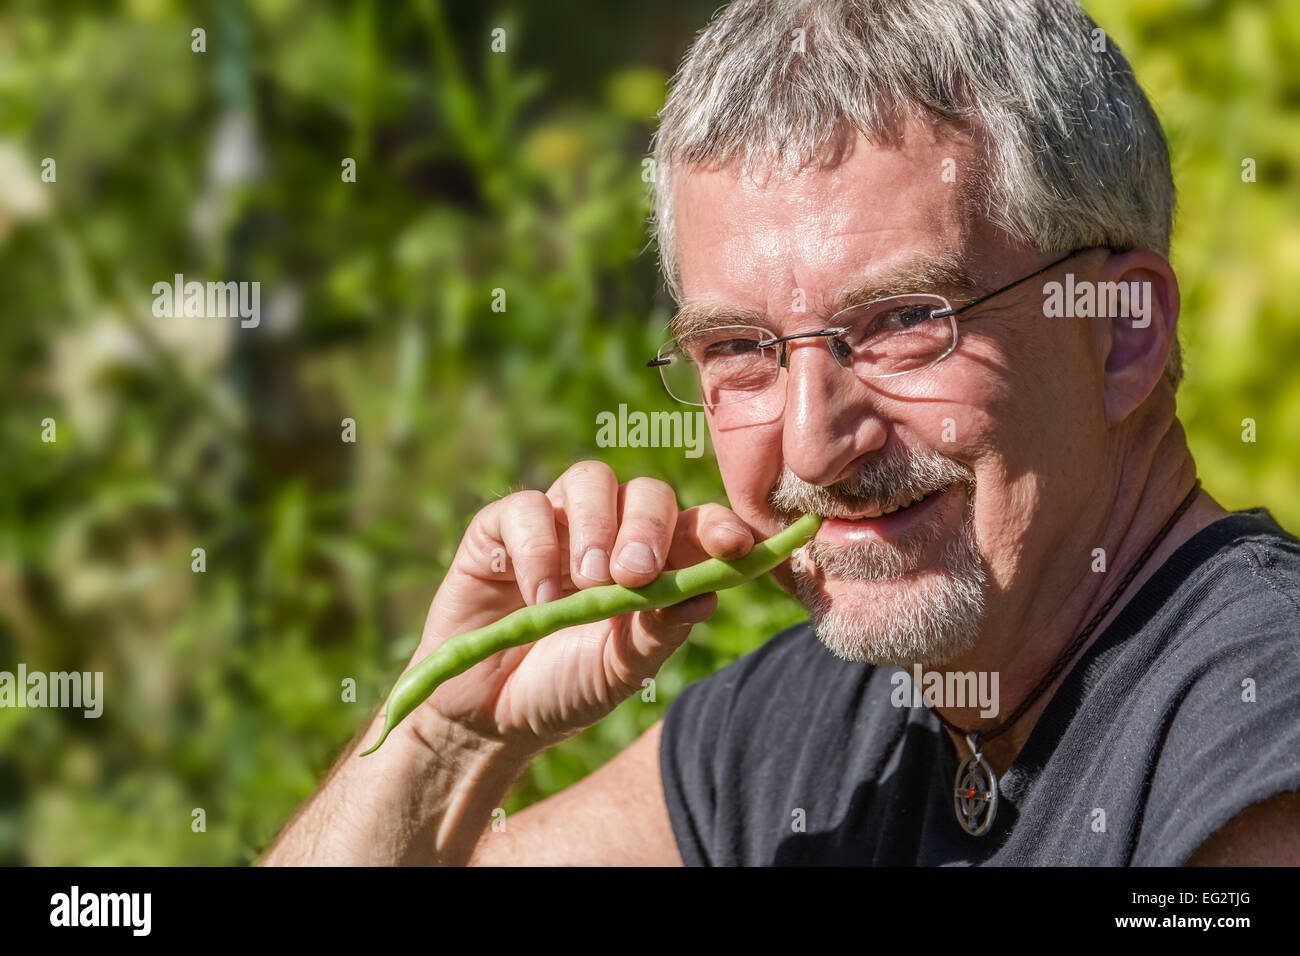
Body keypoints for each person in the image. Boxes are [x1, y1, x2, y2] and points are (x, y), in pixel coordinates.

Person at [260, 0, 1300, 866]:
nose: (811, 447)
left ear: (1120, 335)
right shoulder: (799, 733)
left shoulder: (1257, 720)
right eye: (741, 349)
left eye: (900, 322)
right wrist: (447, 738)